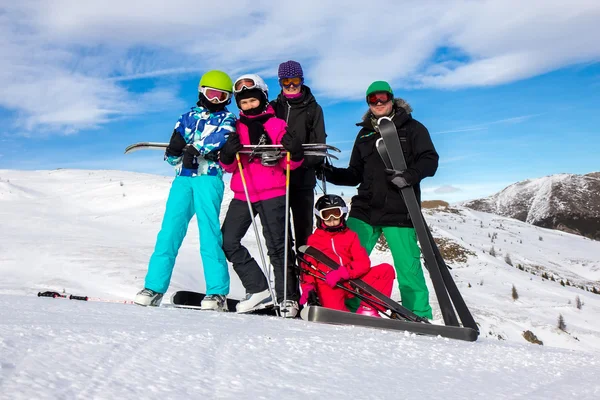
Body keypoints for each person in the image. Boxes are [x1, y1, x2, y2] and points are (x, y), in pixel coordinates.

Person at [317, 81, 438, 320]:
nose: (378, 103)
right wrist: (328, 172)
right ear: (368, 103)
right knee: (347, 260)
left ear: (392, 99)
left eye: (382, 98)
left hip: (400, 209)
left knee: (407, 267)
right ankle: (347, 306)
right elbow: (354, 174)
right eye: (373, 100)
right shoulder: (364, 134)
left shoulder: (413, 128)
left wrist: (410, 176)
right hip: (365, 209)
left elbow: (430, 160)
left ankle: (417, 314)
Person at [134, 70, 236, 310]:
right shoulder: (186, 117)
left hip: (208, 179)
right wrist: (174, 150)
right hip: (183, 180)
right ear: (202, 92)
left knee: (209, 234)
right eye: (212, 94)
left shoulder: (228, 119)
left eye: (222, 96)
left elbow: (221, 138)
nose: (215, 100)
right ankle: (154, 287)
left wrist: (196, 149)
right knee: (169, 232)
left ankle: (217, 292)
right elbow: (171, 159)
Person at [219, 74, 304, 318]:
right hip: (243, 192)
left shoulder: (277, 124)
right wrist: (227, 155)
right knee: (228, 241)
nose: (248, 106)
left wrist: (294, 153)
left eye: (253, 101)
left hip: (273, 192)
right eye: (243, 102)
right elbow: (230, 166)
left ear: (263, 98)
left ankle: (288, 297)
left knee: (278, 247)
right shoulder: (235, 126)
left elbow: (291, 165)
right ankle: (258, 289)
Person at [299, 195, 396, 317]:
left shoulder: (350, 235)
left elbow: (363, 262)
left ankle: (368, 309)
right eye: (326, 215)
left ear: (342, 214)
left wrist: (343, 273)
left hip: (351, 280)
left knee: (385, 271)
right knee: (337, 315)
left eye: (335, 213)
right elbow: (308, 269)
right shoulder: (314, 240)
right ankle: (345, 315)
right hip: (328, 285)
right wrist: (308, 288)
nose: (332, 219)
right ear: (319, 217)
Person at [270, 60, 327, 251]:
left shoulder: (313, 109)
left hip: (303, 180)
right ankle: (287, 279)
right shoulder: (273, 108)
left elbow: (319, 147)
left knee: (304, 236)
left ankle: (307, 277)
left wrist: (298, 159)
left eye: (295, 80)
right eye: (286, 81)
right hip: (276, 181)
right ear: (280, 83)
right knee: (280, 237)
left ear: (301, 80)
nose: (291, 85)